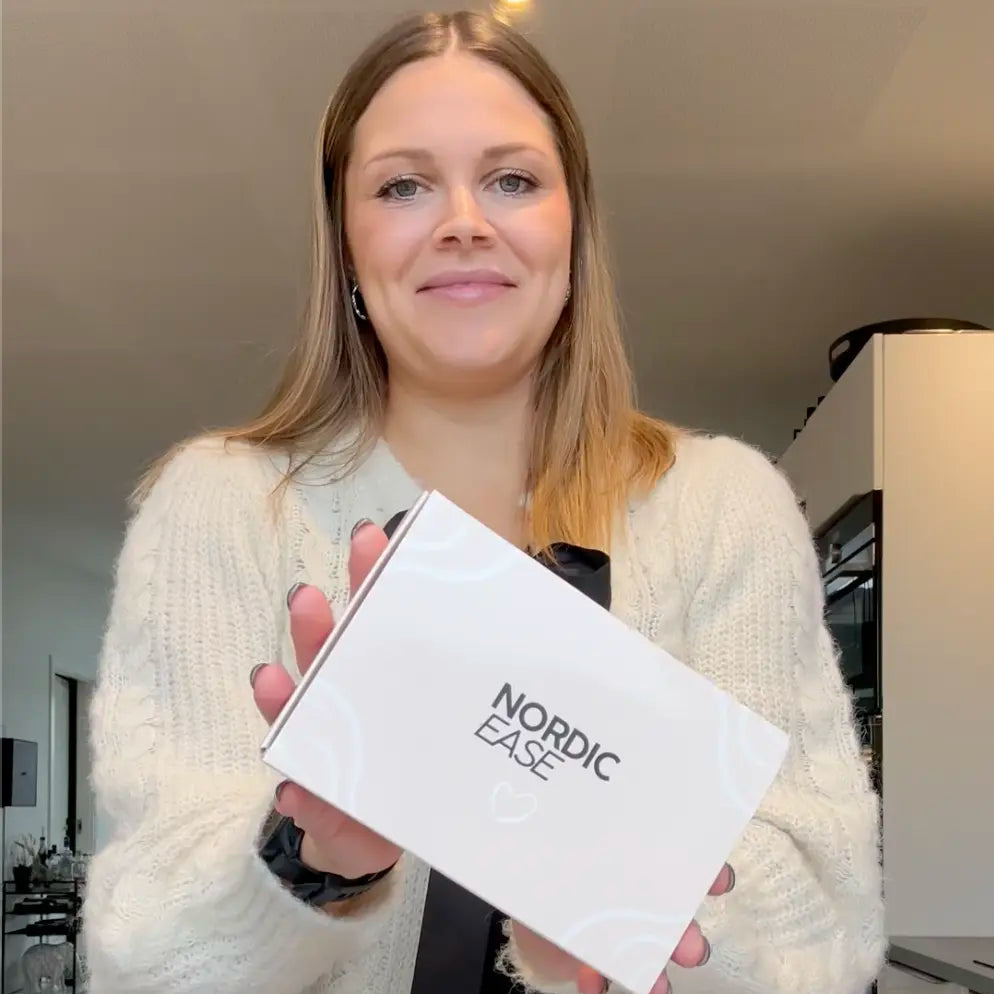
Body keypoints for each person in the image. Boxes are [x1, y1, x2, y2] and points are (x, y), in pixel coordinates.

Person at [82, 10, 885, 994]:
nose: (463, 220)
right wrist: (311, 862)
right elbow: (142, 961)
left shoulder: (723, 507)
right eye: (403, 185)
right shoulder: (220, 507)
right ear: (346, 246)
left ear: (573, 229)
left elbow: (830, 933)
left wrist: (606, 919)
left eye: (511, 179)